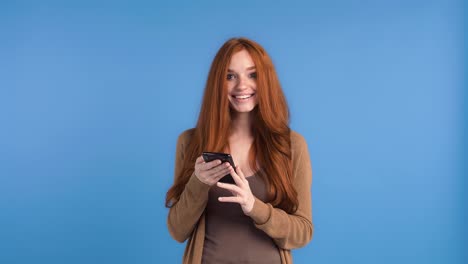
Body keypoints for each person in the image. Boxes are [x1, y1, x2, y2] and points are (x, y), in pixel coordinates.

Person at [165, 37, 313, 264]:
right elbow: (177, 230)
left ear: (266, 80)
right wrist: (199, 182)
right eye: (230, 76)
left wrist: (255, 207)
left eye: (252, 74)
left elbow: (302, 232)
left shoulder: (292, 145)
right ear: (218, 83)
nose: (241, 85)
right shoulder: (190, 142)